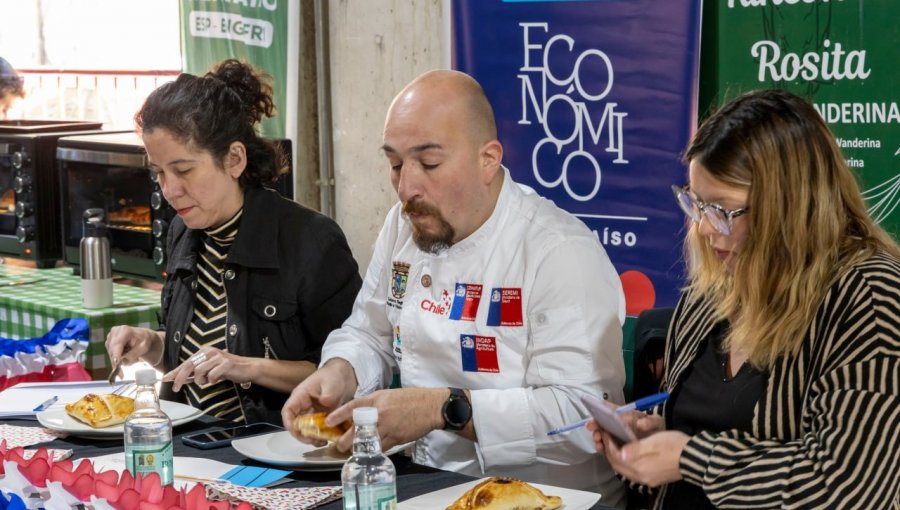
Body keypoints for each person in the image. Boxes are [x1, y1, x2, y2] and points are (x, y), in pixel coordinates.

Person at [281, 69, 627, 506]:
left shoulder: (558, 251)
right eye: (394, 164)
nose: (406, 187)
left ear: (488, 159)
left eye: (428, 164)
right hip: (428, 484)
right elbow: (369, 330)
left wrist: (437, 410)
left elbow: (579, 415)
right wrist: (339, 371)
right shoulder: (401, 226)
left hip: (550, 497)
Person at [588, 89, 900, 509]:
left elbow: (846, 487)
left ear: (790, 208)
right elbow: (711, 435)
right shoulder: (710, 296)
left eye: (722, 209)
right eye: (696, 203)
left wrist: (689, 458)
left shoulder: (871, 299)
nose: (701, 228)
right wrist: (652, 443)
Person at [106, 59, 362, 424]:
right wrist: (152, 343)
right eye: (159, 173)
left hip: (275, 447)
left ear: (234, 159)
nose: (170, 190)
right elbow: (191, 358)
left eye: (183, 170)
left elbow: (351, 374)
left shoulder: (311, 241)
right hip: (191, 438)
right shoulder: (183, 230)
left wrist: (248, 367)